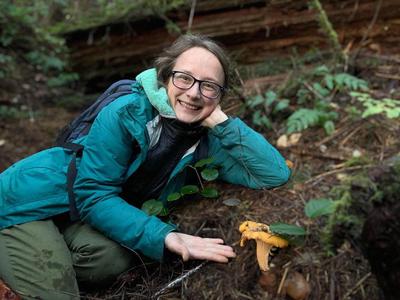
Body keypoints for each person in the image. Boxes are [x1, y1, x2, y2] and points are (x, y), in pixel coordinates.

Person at [0, 34, 291, 299]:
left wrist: (221, 122)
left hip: (73, 216)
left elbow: (274, 173)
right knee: (57, 292)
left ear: (220, 96)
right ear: (165, 78)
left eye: (209, 86)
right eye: (184, 78)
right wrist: (165, 235)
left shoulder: (208, 143)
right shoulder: (127, 112)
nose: (193, 93)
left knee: (110, 261)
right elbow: (94, 195)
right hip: (27, 204)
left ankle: (26, 264)